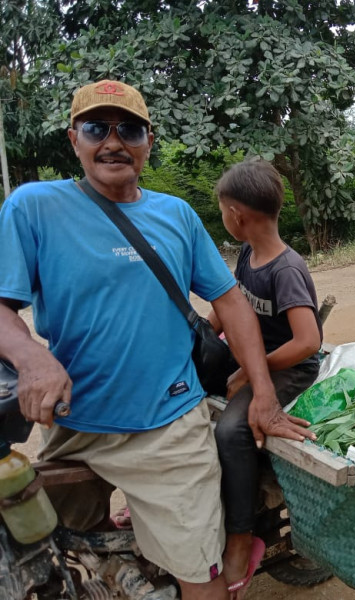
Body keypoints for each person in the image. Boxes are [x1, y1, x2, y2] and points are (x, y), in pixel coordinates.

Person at [0, 79, 313, 600]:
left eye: (130, 129)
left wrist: (262, 391)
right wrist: (31, 357)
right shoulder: (32, 207)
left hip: (168, 427)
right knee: (61, 558)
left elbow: (231, 302)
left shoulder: (176, 216)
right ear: (74, 138)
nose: (114, 142)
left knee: (199, 574)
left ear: (149, 140)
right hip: (74, 422)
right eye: (97, 128)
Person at [207, 158, 323, 596]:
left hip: (290, 369)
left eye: (222, 211)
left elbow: (308, 341)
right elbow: (229, 308)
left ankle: (241, 538)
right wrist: (202, 336)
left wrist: (252, 371)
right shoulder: (248, 255)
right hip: (254, 360)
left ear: (237, 215)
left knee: (233, 430)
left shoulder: (285, 267)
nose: (224, 218)